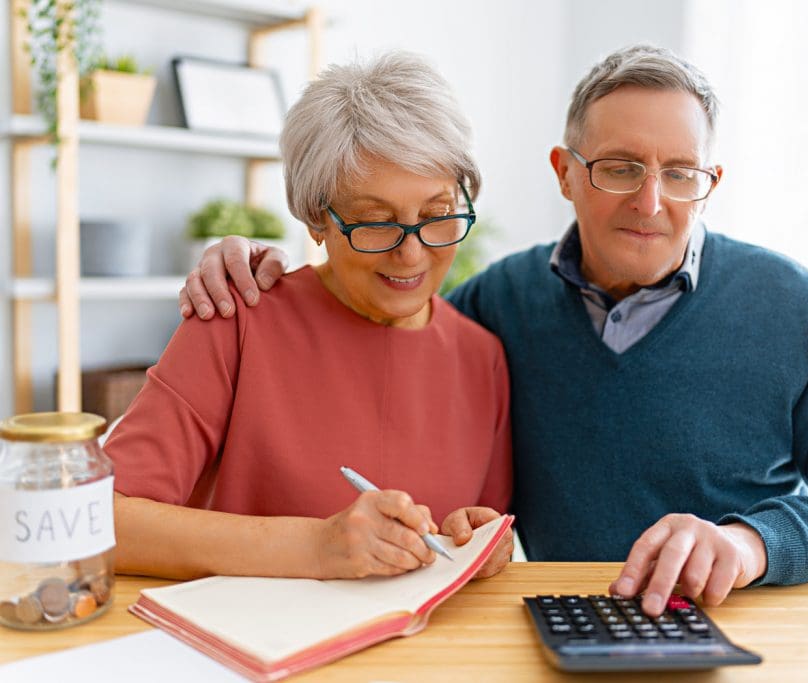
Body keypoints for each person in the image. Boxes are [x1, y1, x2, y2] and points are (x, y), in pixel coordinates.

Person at [180, 45, 808, 615]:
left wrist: (749, 542)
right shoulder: (499, 305)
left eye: (680, 172)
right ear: (565, 172)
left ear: (710, 182)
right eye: (617, 167)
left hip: (737, 633)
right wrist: (254, 262)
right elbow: (392, 306)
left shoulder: (795, 306)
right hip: (558, 628)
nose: (650, 201)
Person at [106, 52, 513, 582]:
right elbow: (101, 522)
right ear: (316, 217)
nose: (411, 254)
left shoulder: (481, 357)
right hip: (255, 655)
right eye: (375, 222)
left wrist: (474, 540)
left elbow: (483, 530)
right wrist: (314, 547)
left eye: (436, 216)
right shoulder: (236, 319)